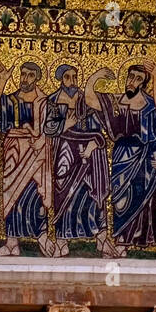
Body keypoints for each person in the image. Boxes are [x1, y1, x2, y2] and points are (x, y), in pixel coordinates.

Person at [85, 61, 156, 257]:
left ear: (143, 84)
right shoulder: (117, 102)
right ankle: (122, 244)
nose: (132, 82)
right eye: (130, 77)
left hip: (148, 159)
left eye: (137, 79)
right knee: (121, 202)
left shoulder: (152, 106)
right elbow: (90, 100)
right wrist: (96, 76)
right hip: (122, 159)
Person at [42, 63, 111, 256]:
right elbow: (48, 128)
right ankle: (62, 240)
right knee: (63, 190)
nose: (72, 80)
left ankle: (101, 238)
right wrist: (66, 124)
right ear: (61, 79)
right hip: (64, 150)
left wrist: (93, 144)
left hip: (88, 152)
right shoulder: (53, 100)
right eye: (68, 77)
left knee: (91, 192)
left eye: (74, 76)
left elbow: (100, 127)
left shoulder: (87, 99)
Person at [0, 60, 54, 257]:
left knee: (34, 195)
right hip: (14, 152)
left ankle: (41, 236)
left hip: (36, 154)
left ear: (37, 78)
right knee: (11, 195)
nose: (25, 78)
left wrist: (42, 139)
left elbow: (53, 127)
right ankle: (11, 242)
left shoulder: (44, 102)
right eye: (23, 74)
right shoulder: (12, 99)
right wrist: (2, 80)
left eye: (29, 75)